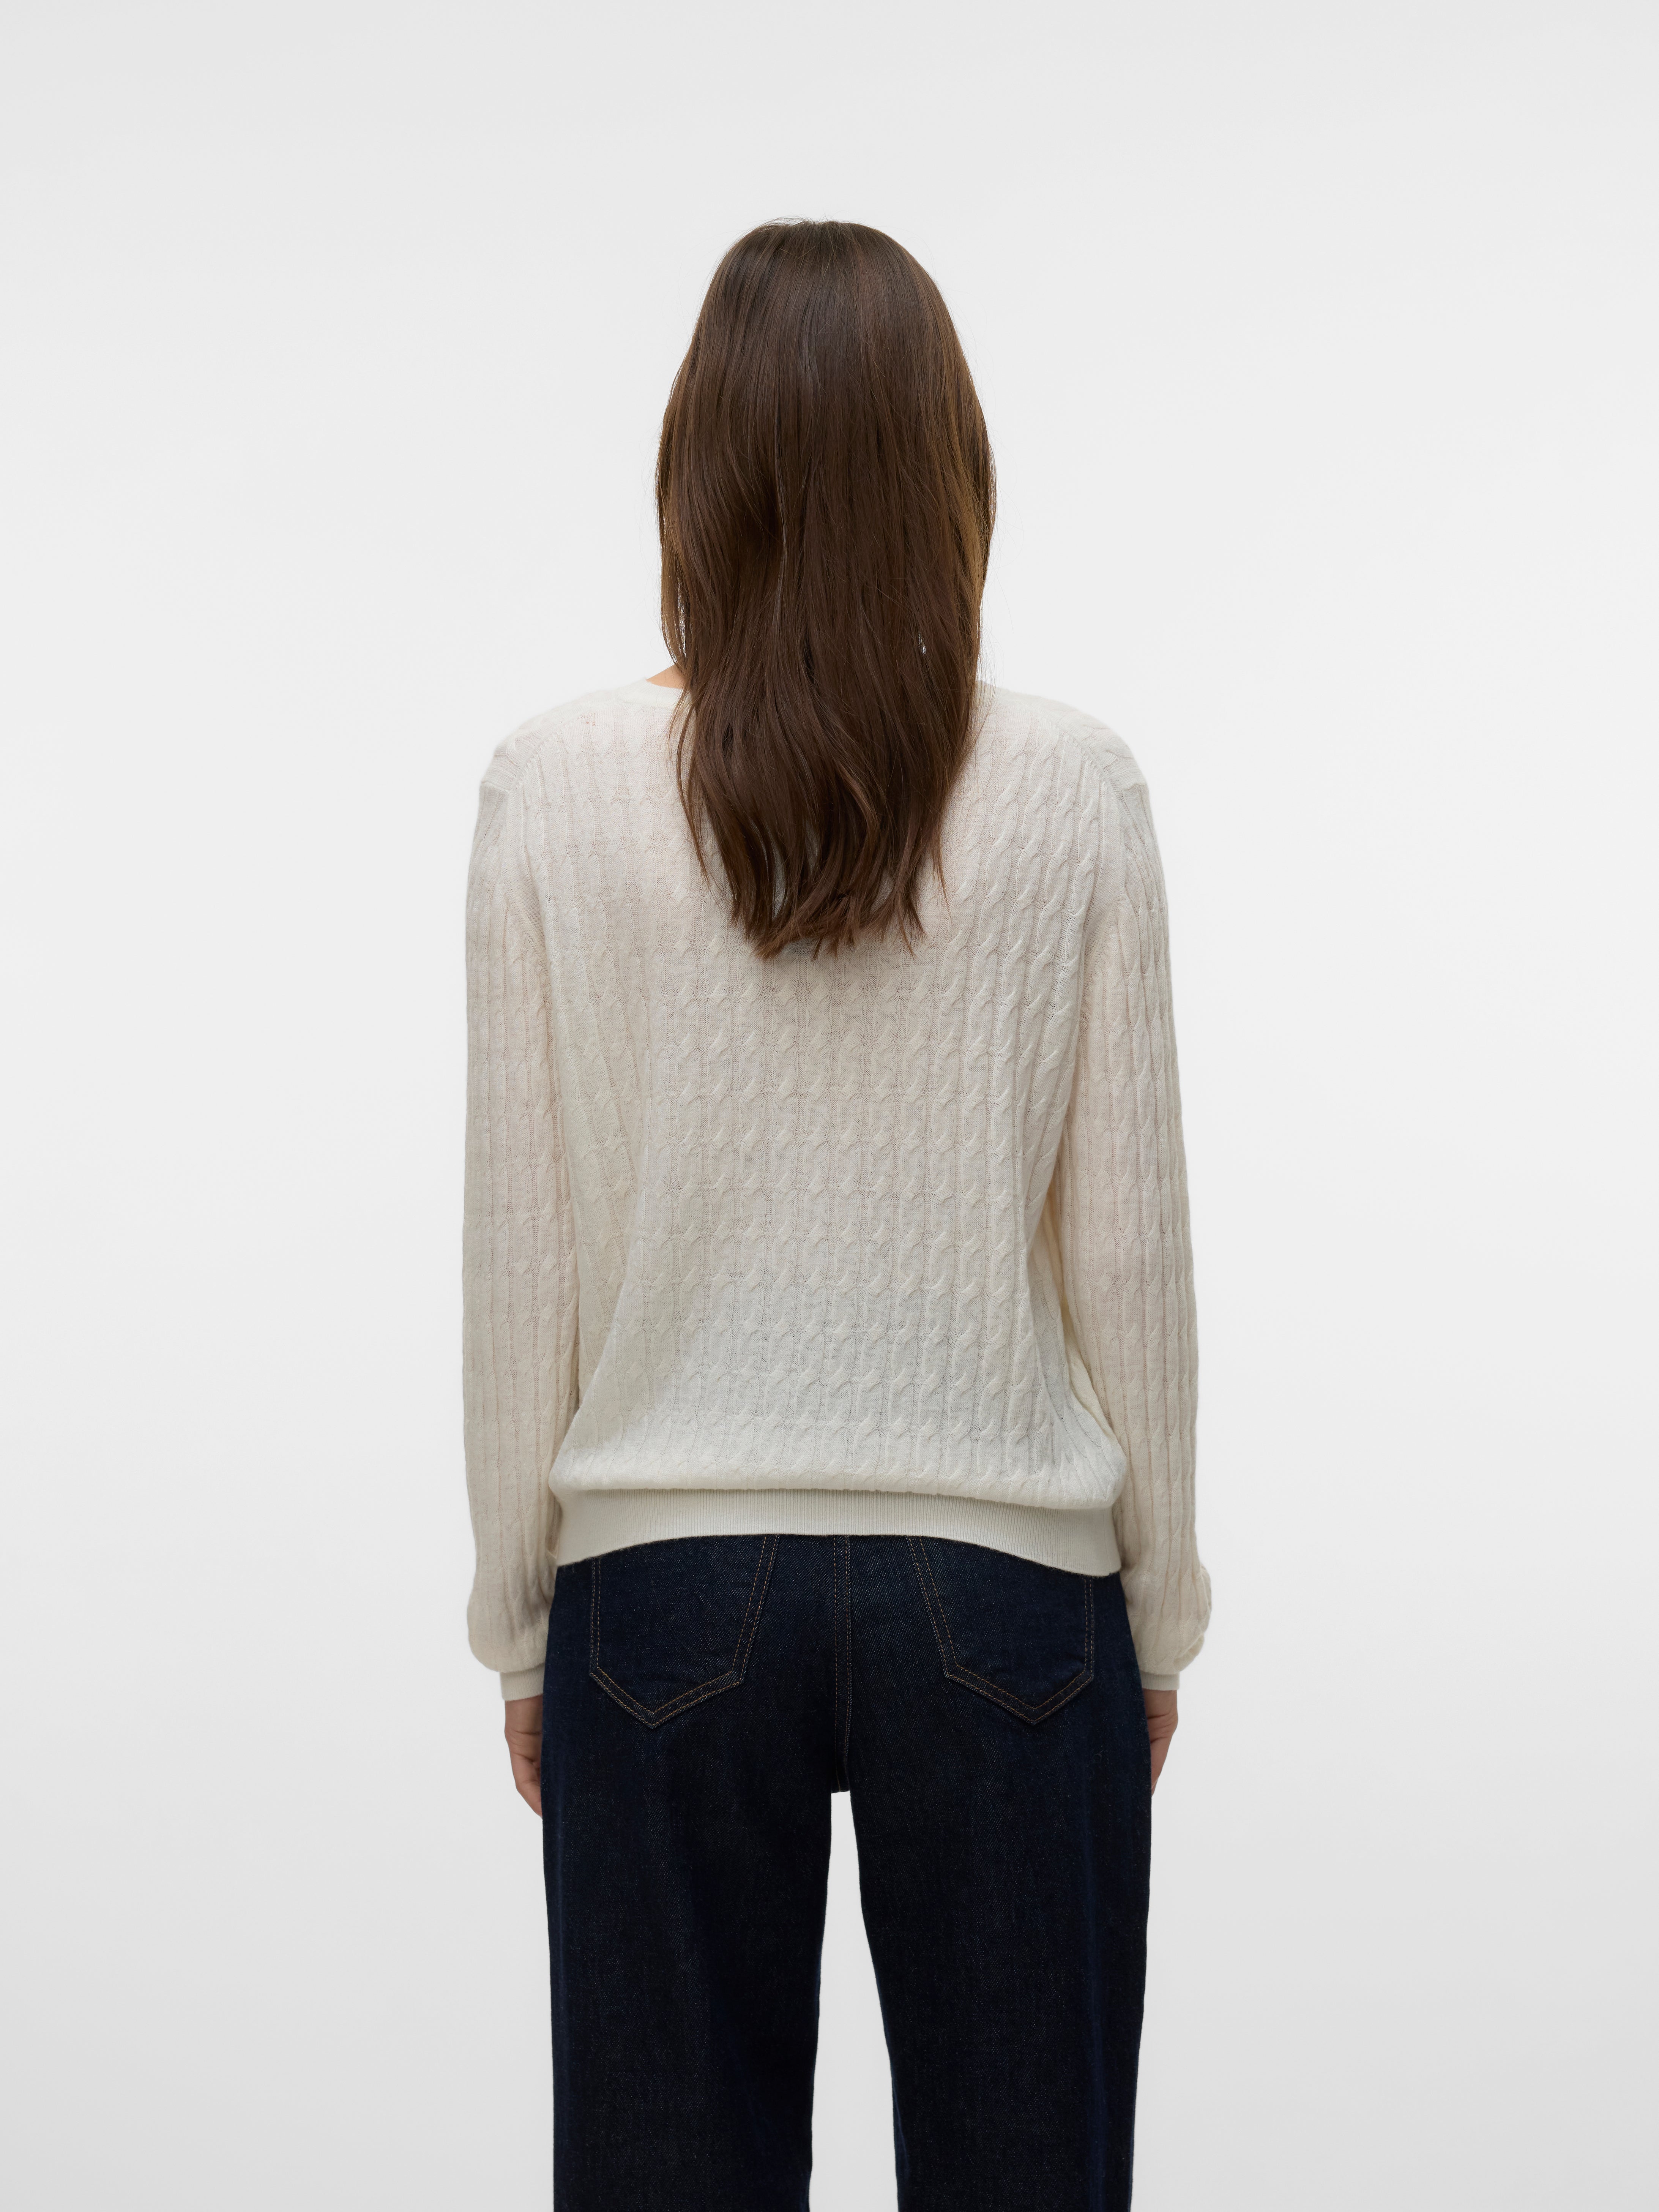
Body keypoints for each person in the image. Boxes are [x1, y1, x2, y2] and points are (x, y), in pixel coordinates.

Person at [462, 218, 1210, 2212]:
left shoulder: (552, 785)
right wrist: (1157, 1602)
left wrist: (521, 1621)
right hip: (1006, 1582)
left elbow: (520, 1250)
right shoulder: (1072, 786)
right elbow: (1129, 1247)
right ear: (949, 466)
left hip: (659, 1586)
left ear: (694, 470)